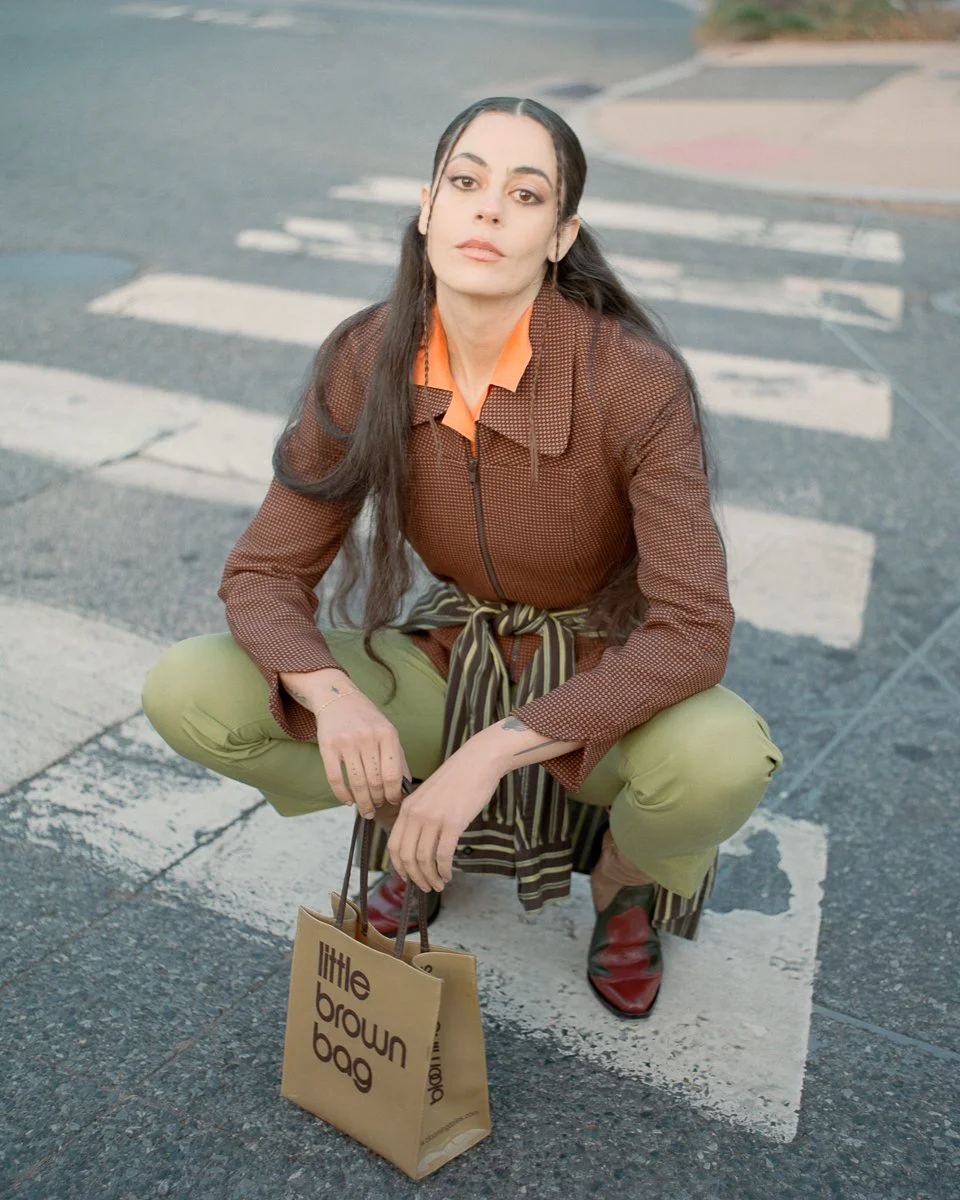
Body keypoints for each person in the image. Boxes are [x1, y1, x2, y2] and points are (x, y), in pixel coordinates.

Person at [142, 96, 783, 1019]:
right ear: (427, 207)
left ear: (561, 236)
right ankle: (409, 830)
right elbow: (263, 573)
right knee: (191, 687)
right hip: (454, 653)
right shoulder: (367, 355)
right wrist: (334, 699)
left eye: (526, 194)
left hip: (600, 664)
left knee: (720, 759)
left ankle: (626, 882)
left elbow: (693, 632)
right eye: (467, 181)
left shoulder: (633, 379)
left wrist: (489, 754)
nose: (488, 208)